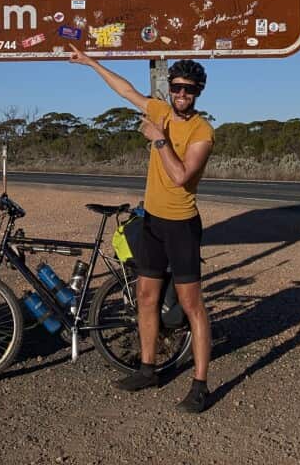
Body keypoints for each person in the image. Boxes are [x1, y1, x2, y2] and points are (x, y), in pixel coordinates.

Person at [68, 45, 215, 413]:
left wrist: (159, 139)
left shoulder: (202, 131)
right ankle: (148, 368)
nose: (182, 95)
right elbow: (126, 90)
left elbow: (181, 176)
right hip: (152, 221)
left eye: (189, 90)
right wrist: (90, 63)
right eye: (177, 88)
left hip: (182, 225)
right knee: (146, 298)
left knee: (192, 305)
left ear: (198, 92)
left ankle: (200, 384)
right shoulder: (161, 110)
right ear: (170, 88)